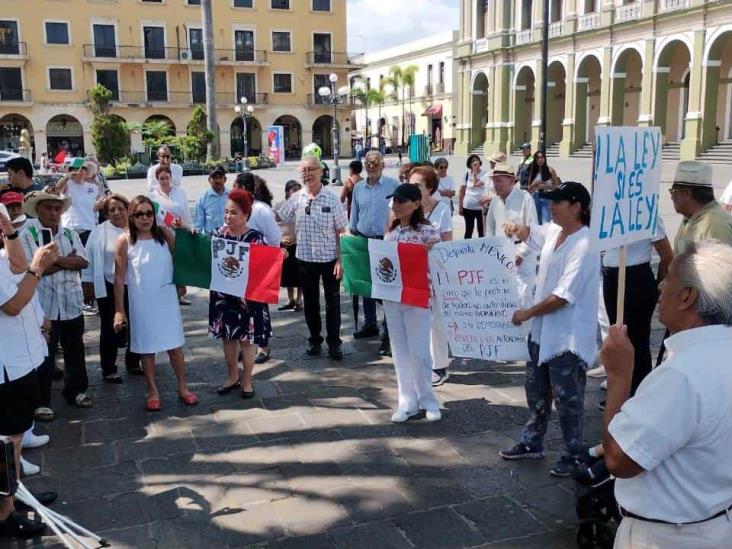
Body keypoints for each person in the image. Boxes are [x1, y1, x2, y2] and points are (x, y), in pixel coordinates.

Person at [601, 240, 732, 548]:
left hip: (667, 536)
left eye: (668, 277)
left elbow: (620, 459)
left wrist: (619, 378)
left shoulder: (682, 375)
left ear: (688, 296)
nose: (660, 286)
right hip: (716, 523)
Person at [500, 182, 599, 478]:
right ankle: (533, 442)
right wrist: (515, 229)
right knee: (536, 391)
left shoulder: (584, 243)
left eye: (558, 202)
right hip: (541, 333)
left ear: (577, 207)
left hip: (566, 336)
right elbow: (531, 234)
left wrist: (526, 313)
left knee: (569, 399)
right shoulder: (555, 231)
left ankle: (573, 453)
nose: (552, 206)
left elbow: (562, 296)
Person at [0, 210, 59, 539]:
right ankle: (5, 514)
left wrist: (9, 232)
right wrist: (39, 267)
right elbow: (13, 304)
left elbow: (18, 265)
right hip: (6, 366)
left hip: (21, 360)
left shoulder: (3, 251)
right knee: (9, 442)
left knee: (16, 437)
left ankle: (14, 495)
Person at [113, 195, 197, 411]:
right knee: (147, 348)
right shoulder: (125, 241)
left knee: (174, 346)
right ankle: (152, 389)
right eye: (139, 214)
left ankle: (182, 386)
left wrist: (184, 227)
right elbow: (119, 277)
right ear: (132, 217)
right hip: (141, 301)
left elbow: (185, 253)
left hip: (166, 299)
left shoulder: (165, 234)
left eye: (148, 213)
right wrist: (119, 311)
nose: (144, 218)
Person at [21, 188, 92, 418]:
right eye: (48, 208)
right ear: (38, 209)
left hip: (71, 302)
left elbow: (82, 261)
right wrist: (62, 261)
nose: (53, 212)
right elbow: (37, 269)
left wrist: (55, 259)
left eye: (57, 208)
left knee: (75, 350)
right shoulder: (28, 234)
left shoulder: (69, 233)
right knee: (44, 355)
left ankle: (76, 391)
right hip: (44, 306)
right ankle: (41, 401)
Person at [277, 155, 347, 360]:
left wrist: (341, 260)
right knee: (310, 303)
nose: (307, 174)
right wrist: (282, 236)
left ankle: (334, 343)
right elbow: (279, 217)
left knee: (333, 304)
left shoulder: (332, 199)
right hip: (305, 259)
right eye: (304, 171)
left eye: (311, 170)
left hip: (329, 259)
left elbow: (342, 231)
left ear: (321, 171)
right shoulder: (297, 198)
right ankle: (315, 340)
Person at [383, 183, 442, 423]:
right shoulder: (391, 233)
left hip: (418, 296)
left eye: (402, 201)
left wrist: (432, 251)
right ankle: (407, 401)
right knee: (400, 351)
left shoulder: (429, 232)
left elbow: (441, 261)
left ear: (416, 204)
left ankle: (427, 399)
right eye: (394, 201)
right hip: (393, 296)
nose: (396, 205)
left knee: (419, 352)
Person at [209, 189, 272, 399]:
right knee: (228, 338)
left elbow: (263, 269)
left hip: (248, 298)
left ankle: (247, 381)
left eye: (234, 213)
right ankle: (232, 376)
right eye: (226, 212)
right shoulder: (218, 235)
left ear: (245, 214)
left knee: (247, 340)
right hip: (224, 297)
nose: (228, 217)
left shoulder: (256, 238)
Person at [600, 218, 673, 400]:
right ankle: (621, 389)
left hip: (636, 276)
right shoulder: (610, 208)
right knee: (617, 334)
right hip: (612, 276)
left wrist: (657, 284)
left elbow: (666, 254)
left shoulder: (646, 211)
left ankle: (638, 392)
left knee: (636, 340)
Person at [82, 195, 142, 382]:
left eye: (120, 208)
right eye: (112, 210)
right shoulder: (99, 232)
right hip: (108, 286)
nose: (117, 212)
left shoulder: (139, 228)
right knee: (110, 328)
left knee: (137, 325)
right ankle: (108, 368)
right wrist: (88, 284)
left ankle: (133, 362)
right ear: (106, 214)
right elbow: (88, 259)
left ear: (128, 209)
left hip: (135, 285)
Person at [408, 166, 453, 388]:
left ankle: (440, 365)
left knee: (435, 319)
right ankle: (420, 361)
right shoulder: (404, 205)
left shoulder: (442, 210)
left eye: (417, 185)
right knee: (415, 317)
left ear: (429, 188)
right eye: (410, 184)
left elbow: (448, 243)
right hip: (411, 271)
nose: (412, 189)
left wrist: (435, 246)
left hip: (434, 271)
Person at [348, 151, 398, 348]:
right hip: (363, 239)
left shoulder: (392, 186)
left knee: (385, 286)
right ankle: (370, 323)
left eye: (375, 162)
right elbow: (354, 214)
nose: (371, 166)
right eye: (368, 163)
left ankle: (388, 330)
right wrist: (352, 234)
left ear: (382, 165)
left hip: (384, 241)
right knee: (365, 285)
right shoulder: (358, 187)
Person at [233, 172, 281, 364]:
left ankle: (263, 347)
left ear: (244, 189)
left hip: (259, 266)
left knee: (258, 309)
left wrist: (264, 258)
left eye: (235, 186)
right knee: (240, 308)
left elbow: (275, 238)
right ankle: (244, 346)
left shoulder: (261, 210)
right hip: (240, 265)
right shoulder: (237, 209)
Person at [485, 162, 538, 310]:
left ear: (511, 180)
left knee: (523, 296)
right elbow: (489, 229)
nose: (495, 185)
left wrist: (520, 254)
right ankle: (507, 332)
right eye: (494, 181)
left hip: (522, 255)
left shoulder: (525, 198)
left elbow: (533, 230)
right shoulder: (495, 201)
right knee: (503, 297)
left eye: (499, 180)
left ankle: (526, 332)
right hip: (500, 255)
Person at [670, 160, 732, 254]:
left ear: (687, 194)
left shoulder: (715, 225)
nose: (672, 197)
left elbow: (720, 267)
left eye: (673, 192)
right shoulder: (690, 215)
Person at [55, 161, 105, 246]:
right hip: (70, 228)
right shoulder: (67, 185)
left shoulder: (93, 188)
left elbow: (93, 207)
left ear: (87, 171)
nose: (80, 170)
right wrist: (67, 177)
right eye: (77, 168)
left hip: (89, 228)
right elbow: (57, 189)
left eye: (83, 168)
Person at [276, 180, 303, 312]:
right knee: (287, 274)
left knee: (300, 273)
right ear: (287, 191)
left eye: (299, 189)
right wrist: (280, 239)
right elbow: (274, 225)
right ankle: (290, 299)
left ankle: (299, 299)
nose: (297, 192)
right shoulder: (279, 206)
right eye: (294, 189)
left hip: (299, 243)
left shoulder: (303, 206)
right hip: (284, 244)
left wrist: (297, 237)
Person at [459, 154, 490, 238]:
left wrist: (475, 173)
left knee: (482, 231)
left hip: (481, 208)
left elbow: (476, 184)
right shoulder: (466, 175)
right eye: (473, 162)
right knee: (469, 230)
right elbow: (462, 191)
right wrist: (460, 206)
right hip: (468, 207)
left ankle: (482, 249)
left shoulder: (485, 174)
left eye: (477, 161)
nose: (476, 163)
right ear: (469, 164)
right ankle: (467, 249)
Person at [193, 166, 229, 235]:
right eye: (215, 177)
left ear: (225, 179)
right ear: (209, 180)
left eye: (220, 177)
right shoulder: (203, 198)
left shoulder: (232, 197)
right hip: (211, 240)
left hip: (229, 241)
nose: (218, 180)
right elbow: (198, 226)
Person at [526, 151, 559, 224]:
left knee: (545, 222)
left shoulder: (550, 170)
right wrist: (535, 184)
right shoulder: (533, 171)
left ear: (545, 158)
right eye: (538, 158)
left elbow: (556, 186)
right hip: (535, 197)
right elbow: (529, 188)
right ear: (535, 159)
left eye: (542, 158)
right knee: (537, 222)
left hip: (546, 198)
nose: (540, 160)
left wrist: (546, 186)